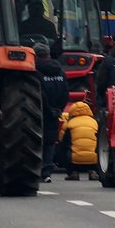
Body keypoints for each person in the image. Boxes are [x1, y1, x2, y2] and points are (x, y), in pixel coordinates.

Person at [36, 44, 69, 182]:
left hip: (39, 110)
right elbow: (65, 92)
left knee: (37, 139)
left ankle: (37, 168)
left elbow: (40, 93)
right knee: (50, 141)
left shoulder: (36, 72)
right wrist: (58, 109)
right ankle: (47, 170)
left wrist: (48, 108)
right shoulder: (60, 72)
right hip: (56, 111)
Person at [60, 100, 100, 180]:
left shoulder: (69, 124)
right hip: (93, 159)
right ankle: (92, 171)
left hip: (74, 160)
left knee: (66, 148)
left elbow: (63, 142)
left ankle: (73, 172)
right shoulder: (94, 122)